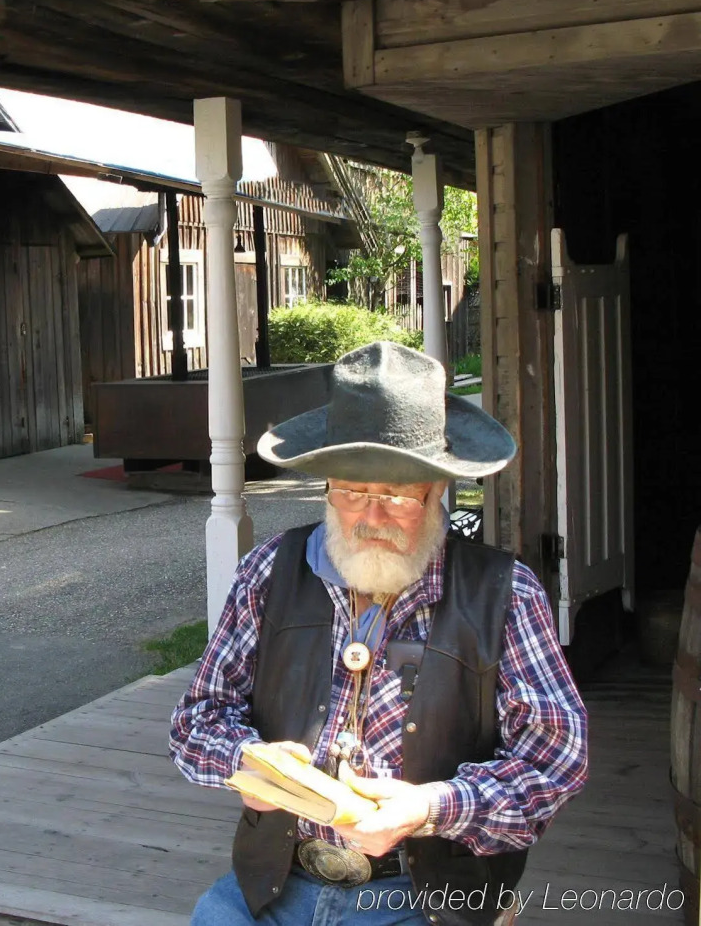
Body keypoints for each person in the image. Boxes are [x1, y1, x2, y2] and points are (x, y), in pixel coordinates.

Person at [171, 341, 588, 926]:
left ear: (439, 490)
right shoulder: (270, 571)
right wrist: (246, 762)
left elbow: (555, 759)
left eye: (396, 496)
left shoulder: (504, 594)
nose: (370, 517)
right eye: (351, 492)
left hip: (426, 900)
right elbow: (197, 720)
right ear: (325, 488)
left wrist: (428, 807)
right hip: (270, 883)